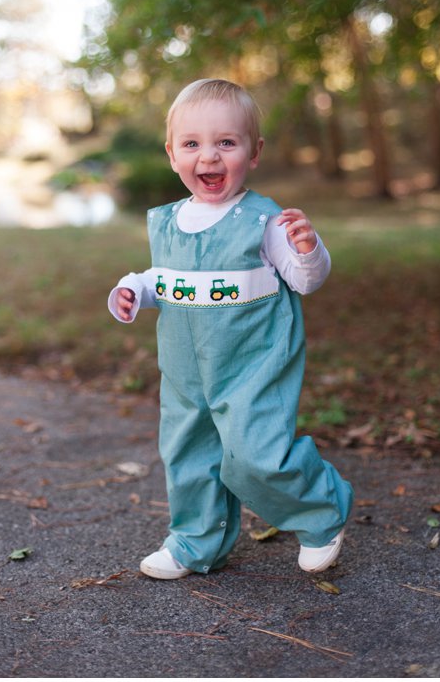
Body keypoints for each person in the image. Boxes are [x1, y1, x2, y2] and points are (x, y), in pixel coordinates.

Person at [108, 78, 353, 580]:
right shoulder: (168, 220)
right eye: (192, 144)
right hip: (185, 369)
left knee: (255, 452)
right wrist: (132, 290)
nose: (209, 158)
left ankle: (321, 511)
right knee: (188, 452)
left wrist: (308, 249)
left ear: (253, 151)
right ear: (173, 155)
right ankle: (196, 541)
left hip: (252, 362)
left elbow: (305, 281)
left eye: (226, 142)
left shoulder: (264, 221)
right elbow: (168, 279)